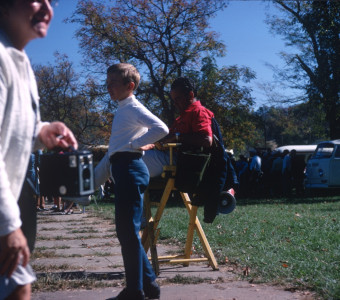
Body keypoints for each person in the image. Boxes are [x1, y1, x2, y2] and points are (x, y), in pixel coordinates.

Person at [0, 1, 78, 299]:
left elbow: (13, 128)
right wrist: (7, 226)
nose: (46, 8)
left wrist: (41, 132)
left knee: (19, 285)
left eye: (51, 1)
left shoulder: (19, 60)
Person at [95, 63, 168, 300]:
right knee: (127, 232)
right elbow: (114, 151)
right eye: (107, 84)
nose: (109, 88)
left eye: (113, 84)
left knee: (127, 232)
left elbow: (161, 128)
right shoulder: (123, 110)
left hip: (131, 169)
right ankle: (148, 286)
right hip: (124, 169)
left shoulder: (133, 107)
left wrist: (136, 145)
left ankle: (135, 291)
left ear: (130, 86)